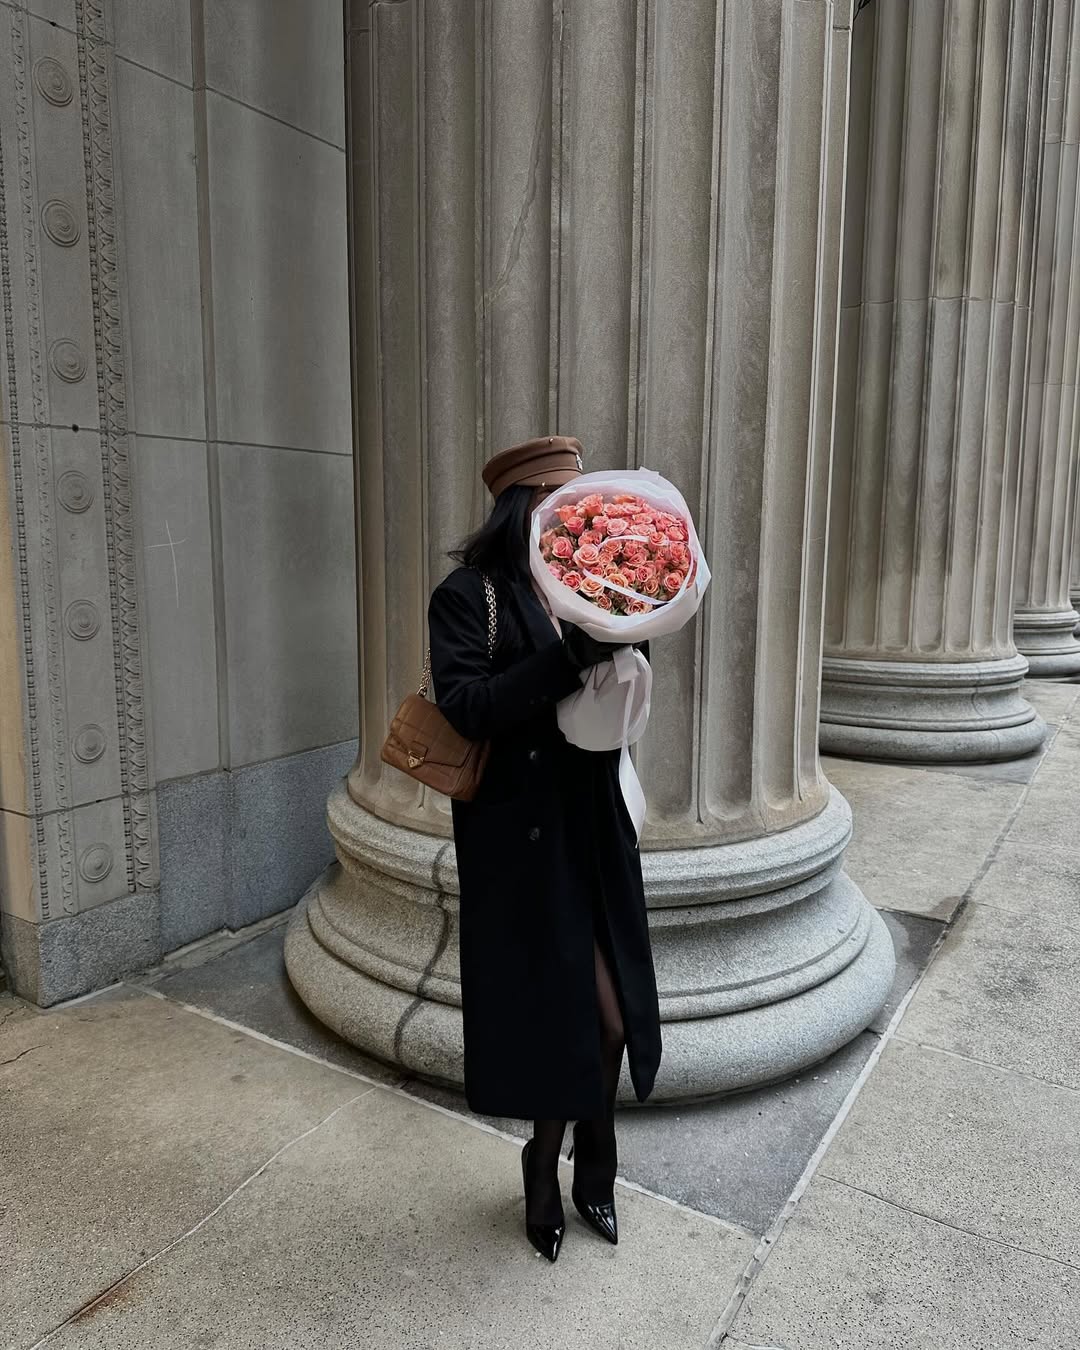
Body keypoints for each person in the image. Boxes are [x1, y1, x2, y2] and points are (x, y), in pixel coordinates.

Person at [427, 435, 662, 1263]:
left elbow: (618, 676)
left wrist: (631, 623)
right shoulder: (468, 596)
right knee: (572, 1016)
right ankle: (548, 1169)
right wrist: (568, 656)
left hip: (594, 822)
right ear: (522, 508)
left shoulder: (591, 585)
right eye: (559, 505)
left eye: (582, 505)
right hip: (522, 837)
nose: (575, 518)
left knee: (614, 1013)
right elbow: (467, 706)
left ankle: (589, 1164)